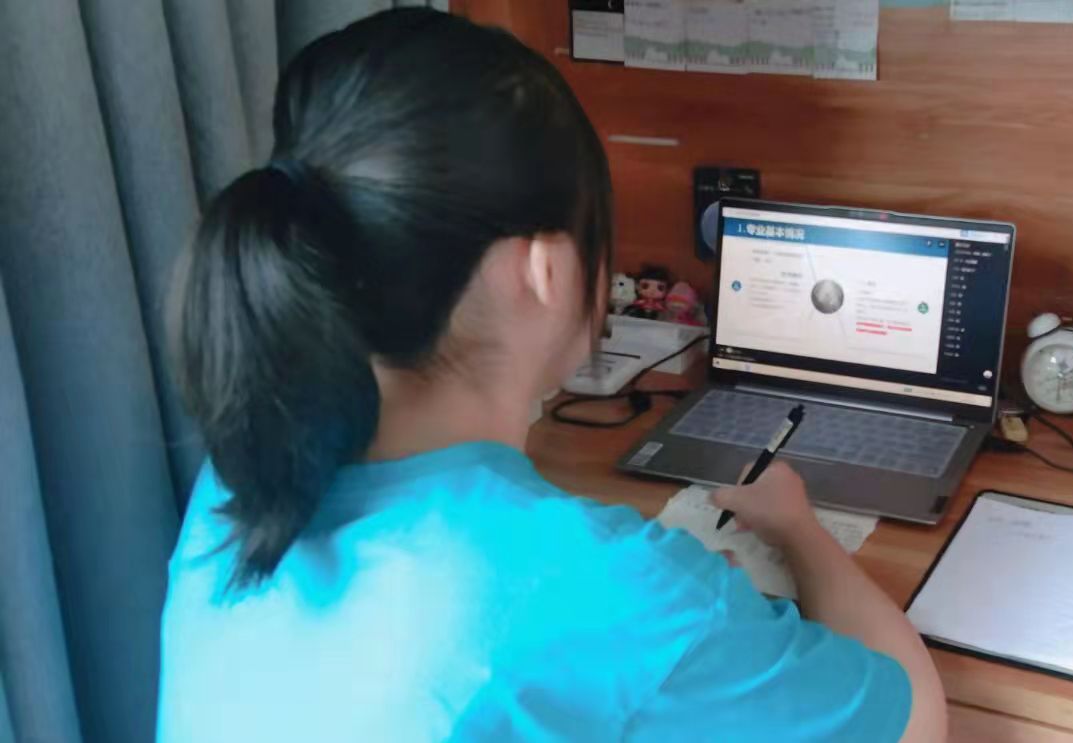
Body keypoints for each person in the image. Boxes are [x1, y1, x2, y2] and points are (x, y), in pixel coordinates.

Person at [157, 9, 946, 742]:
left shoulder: (236, 485)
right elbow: (917, 721)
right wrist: (795, 529)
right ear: (544, 270)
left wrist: (679, 631)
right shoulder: (605, 588)